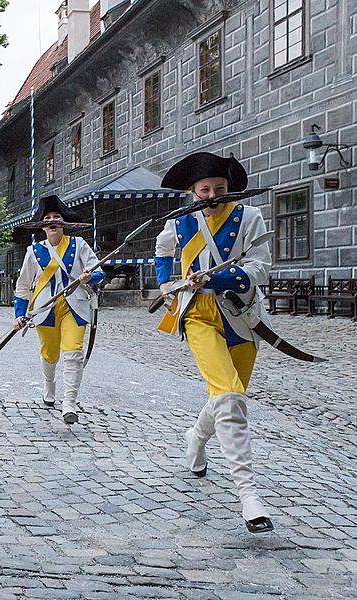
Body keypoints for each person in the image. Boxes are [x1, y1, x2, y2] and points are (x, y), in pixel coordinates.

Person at [154, 151, 273, 535]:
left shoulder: (249, 218)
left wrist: (219, 279)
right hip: (198, 315)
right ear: (193, 192)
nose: (212, 196)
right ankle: (248, 494)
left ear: (229, 188)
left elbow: (260, 268)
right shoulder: (182, 222)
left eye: (219, 189)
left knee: (227, 396)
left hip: (242, 317)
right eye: (204, 190)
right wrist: (165, 281)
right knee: (229, 397)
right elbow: (162, 250)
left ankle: (196, 438)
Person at [12, 195, 105, 424]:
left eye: (56, 217)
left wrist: (89, 276)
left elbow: (99, 272)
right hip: (45, 308)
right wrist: (19, 314)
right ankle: (49, 384)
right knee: (49, 353)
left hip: (75, 307)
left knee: (73, 352)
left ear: (63, 222)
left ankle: (70, 403)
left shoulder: (79, 245)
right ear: (42, 225)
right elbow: (23, 286)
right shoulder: (33, 252)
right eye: (48, 218)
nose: (52, 221)